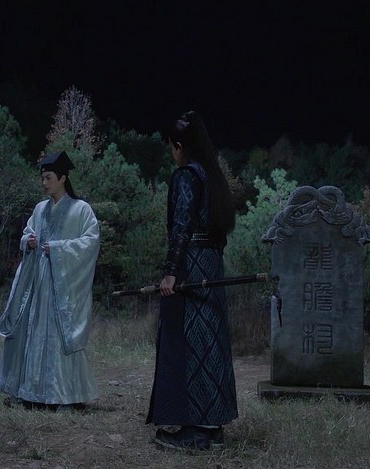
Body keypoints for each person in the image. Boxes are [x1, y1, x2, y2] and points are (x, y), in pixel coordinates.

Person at [147, 111, 238, 450]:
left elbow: (181, 226)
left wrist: (171, 270)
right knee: (209, 343)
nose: (172, 153)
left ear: (179, 146)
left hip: (191, 266)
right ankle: (212, 428)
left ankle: (196, 430)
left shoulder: (187, 175)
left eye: (172, 147)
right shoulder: (214, 178)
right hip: (211, 265)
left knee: (189, 343)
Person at [0, 151, 100, 409]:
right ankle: (31, 392)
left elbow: (90, 242)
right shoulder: (40, 209)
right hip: (38, 280)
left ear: (62, 178)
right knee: (33, 331)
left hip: (63, 283)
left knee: (59, 332)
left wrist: (58, 248)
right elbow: (28, 232)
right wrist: (28, 241)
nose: (44, 183)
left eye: (49, 178)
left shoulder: (81, 209)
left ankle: (65, 395)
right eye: (42, 178)